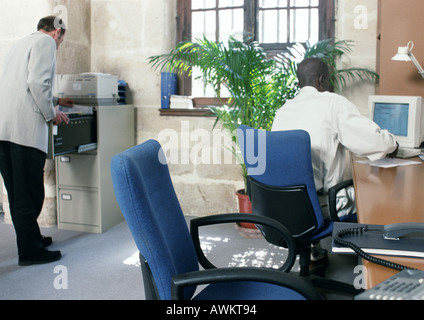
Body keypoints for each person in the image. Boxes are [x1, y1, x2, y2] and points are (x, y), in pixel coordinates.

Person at [272, 58, 398, 267]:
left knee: (317, 183)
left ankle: (316, 254)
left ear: (299, 83)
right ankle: (375, 268)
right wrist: (393, 145)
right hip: (319, 205)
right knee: (372, 194)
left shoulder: (283, 110)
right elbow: (374, 142)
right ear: (322, 80)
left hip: (282, 204)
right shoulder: (333, 103)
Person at [0, 16, 74, 266]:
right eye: (61, 40)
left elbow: (22, 86)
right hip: (25, 132)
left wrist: (54, 103)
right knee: (31, 192)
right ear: (57, 32)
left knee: (17, 193)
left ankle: (31, 240)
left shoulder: (20, 44)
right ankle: (30, 252)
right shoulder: (46, 44)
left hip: (4, 130)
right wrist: (52, 114)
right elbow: (37, 82)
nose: (59, 45)